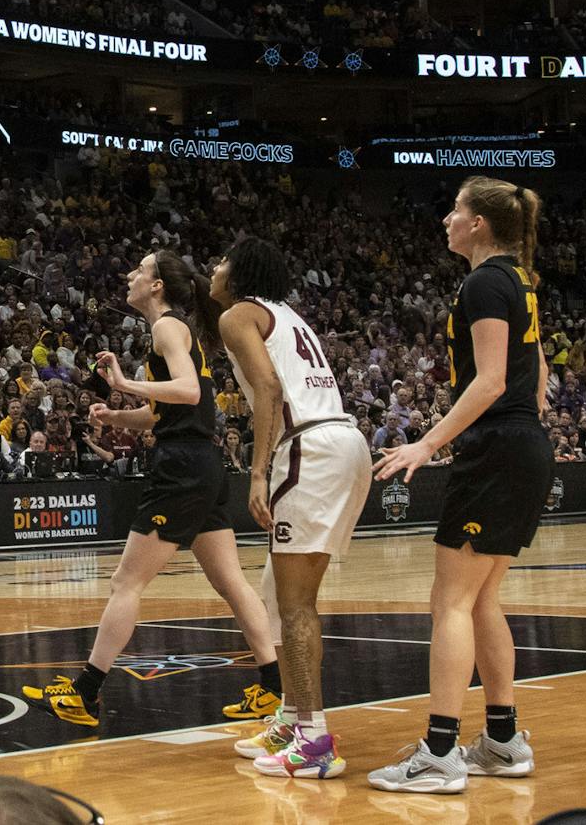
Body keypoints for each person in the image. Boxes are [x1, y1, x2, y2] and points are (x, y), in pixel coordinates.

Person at [21, 250, 279, 728]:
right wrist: (115, 414)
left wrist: (124, 382)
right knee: (230, 583)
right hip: (200, 462)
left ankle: (85, 693)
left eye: (139, 269)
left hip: (182, 467)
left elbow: (190, 392)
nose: (130, 275)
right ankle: (275, 688)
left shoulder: (166, 328)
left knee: (126, 582)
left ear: (157, 285)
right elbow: (166, 413)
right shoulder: (174, 330)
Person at [369, 178, 549, 794]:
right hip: (523, 446)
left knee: (449, 601)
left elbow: (493, 379)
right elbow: (539, 377)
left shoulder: (485, 281)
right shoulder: (520, 283)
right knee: (481, 599)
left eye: (456, 211)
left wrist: (428, 443)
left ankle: (439, 753)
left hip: (497, 447)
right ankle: (502, 741)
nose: (447, 218)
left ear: (478, 225)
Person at [212, 238, 372, 779]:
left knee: (297, 602)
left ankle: (314, 741)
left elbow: (268, 387)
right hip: (342, 441)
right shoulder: (286, 314)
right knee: (277, 593)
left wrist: (256, 472)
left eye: (222, 261)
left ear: (239, 273)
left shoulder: (237, 315)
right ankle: (290, 717)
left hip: (309, 447)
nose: (214, 269)